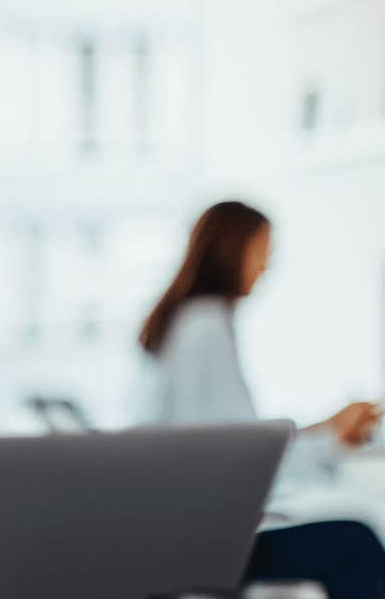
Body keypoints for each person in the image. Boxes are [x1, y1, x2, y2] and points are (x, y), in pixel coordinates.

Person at [136, 200, 380, 494]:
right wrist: (332, 439)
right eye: (262, 251)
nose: (265, 266)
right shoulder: (206, 327)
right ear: (232, 250)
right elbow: (244, 453)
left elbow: (237, 436)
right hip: (207, 504)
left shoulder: (190, 320)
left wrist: (330, 427)